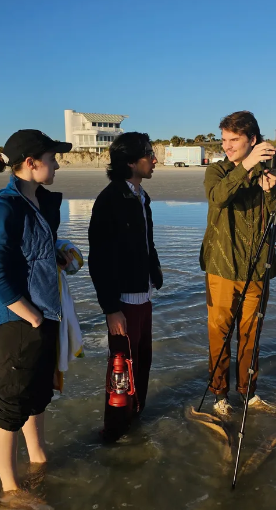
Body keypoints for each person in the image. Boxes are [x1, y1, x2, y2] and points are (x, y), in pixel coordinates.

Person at [0, 129, 73, 493]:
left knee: (38, 395)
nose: (57, 164)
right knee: (11, 405)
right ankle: (10, 491)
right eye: (52, 159)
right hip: (17, 320)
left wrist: (58, 256)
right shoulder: (4, 205)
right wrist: (31, 316)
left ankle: (39, 458)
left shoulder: (41, 202)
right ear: (31, 163)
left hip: (44, 313)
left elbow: (32, 254)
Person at [200, 110, 276, 417]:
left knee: (252, 334)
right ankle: (219, 395)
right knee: (219, 333)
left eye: (234, 140)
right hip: (222, 266)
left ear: (253, 140)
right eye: (224, 140)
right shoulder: (217, 171)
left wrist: (272, 192)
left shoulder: (266, 171)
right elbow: (219, 197)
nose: (227, 146)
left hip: (258, 267)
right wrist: (246, 166)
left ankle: (249, 394)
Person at [88, 132, 163, 442]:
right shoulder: (110, 200)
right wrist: (111, 309)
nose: (155, 159)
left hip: (142, 297)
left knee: (142, 362)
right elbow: (98, 259)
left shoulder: (140, 196)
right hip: (123, 303)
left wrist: (155, 271)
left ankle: (136, 420)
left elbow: (147, 242)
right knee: (121, 371)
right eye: (149, 154)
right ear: (131, 161)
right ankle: (114, 434)